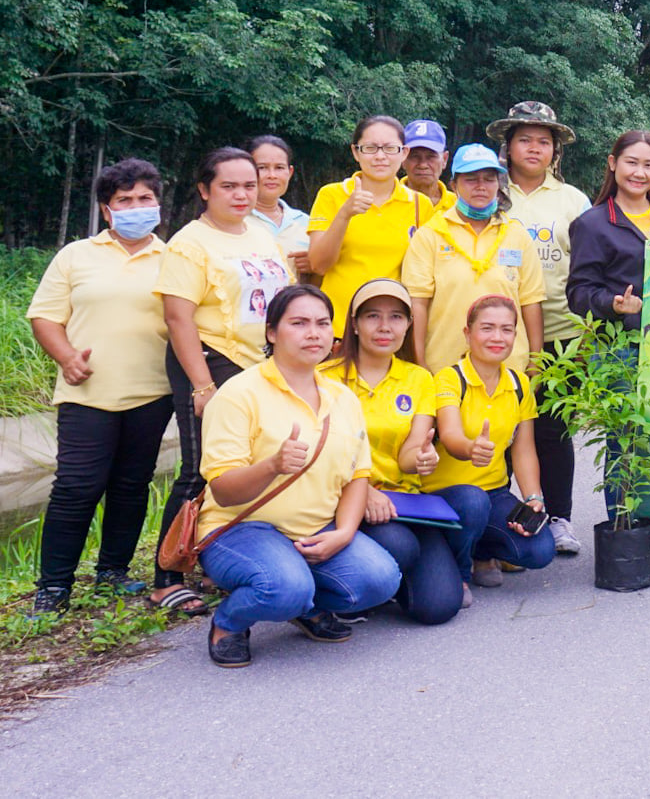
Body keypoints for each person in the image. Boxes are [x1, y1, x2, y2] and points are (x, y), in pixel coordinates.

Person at [196, 285, 400, 668]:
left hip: (314, 529)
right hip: (241, 529)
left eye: (323, 323)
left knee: (380, 580)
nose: (314, 333)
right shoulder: (239, 394)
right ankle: (229, 622)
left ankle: (304, 605)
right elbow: (222, 491)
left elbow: (359, 475)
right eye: (299, 323)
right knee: (283, 587)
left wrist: (343, 533)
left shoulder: (343, 397)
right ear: (272, 332)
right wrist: (271, 465)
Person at [151, 147, 297, 615]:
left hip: (261, 364)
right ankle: (166, 574)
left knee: (249, 466)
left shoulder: (260, 233)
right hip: (211, 362)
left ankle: (219, 560)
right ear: (204, 190)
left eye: (248, 186)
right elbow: (179, 318)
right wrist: (200, 385)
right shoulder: (190, 242)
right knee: (202, 469)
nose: (240, 195)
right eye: (228, 186)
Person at [26, 160, 173, 616]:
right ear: (107, 212)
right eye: (124, 201)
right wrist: (67, 358)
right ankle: (53, 587)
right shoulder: (76, 255)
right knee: (76, 487)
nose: (135, 207)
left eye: (144, 198)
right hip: (86, 394)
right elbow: (45, 316)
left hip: (152, 392)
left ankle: (113, 572)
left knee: (131, 485)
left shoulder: (176, 258)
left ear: (158, 205)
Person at [567, 131, 650, 555]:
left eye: (648, 165)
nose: (639, 172)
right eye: (631, 162)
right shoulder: (592, 223)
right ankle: (627, 529)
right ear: (612, 164)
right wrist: (614, 304)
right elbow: (578, 293)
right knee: (625, 440)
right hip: (620, 350)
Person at [326, 278, 484, 625]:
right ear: (353, 324)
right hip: (347, 500)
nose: (385, 327)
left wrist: (423, 458)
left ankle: (408, 579)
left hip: (404, 503)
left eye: (396, 317)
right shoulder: (326, 379)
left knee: (440, 606)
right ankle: (367, 582)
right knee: (400, 545)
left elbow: (409, 454)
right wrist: (362, 490)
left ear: (409, 325)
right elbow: (320, 456)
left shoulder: (419, 379)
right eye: (372, 317)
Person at [487, 101, 592, 556]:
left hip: (560, 331)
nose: (534, 148)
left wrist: (587, 335)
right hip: (496, 334)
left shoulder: (573, 200)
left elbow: (586, 265)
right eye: (524, 139)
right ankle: (508, 521)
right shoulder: (488, 191)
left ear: (555, 151)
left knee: (552, 430)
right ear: (507, 146)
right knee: (501, 429)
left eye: (543, 141)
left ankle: (560, 518)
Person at [420, 295, 556, 590]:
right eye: (487, 328)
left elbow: (524, 451)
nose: (497, 337)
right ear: (467, 334)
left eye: (506, 330)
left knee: (541, 549)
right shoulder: (448, 378)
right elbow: (451, 433)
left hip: (493, 493)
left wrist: (534, 499)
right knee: (472, 501)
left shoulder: (519, 384)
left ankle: (480, 550)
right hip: (445, 495)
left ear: (515, 337)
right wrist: (470, 448)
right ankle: (458, 571)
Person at [401, 144, 544, 374]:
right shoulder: (430, 235)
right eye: (471, 179)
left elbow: (531, 302)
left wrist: (535, 363)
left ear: (498, 185)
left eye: (489, 179)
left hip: (509, 371)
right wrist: (420, 363)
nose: (481, 186)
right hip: (445, 369)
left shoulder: (516, 235)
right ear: (454, 185)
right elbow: (417, 303)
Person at [308, 115, 437, 331]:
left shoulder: (419, 205)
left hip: (391, 330)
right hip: (338, 325)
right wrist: (344, 215)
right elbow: (318, 264)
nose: (380, 156)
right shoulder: (332, 195)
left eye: (389, 148)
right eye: (370, 148)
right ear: (355, 152)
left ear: (404, 153)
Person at [247, 136, 311, 275]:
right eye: (262, 168)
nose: (272, 175)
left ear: (290, 172)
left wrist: (314, 266)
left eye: (279, 168)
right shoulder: (234, 221)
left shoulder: (306, 223)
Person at [401, 119, 454, 211]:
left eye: (431, 157)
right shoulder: (384, 203)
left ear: (444, 159)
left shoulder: (458, 207)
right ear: (402, 159)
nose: (423, 165)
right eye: (415, 156)